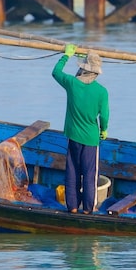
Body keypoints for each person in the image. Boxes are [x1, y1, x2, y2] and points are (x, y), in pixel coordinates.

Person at [52, 45, 109, 214]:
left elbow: (56, 72)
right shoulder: (101, 91)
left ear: (82, 68)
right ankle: (88, 209)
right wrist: (104, 129)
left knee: (73, 172)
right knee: (90, 175)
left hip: (73, 136)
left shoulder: (72, 83)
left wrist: (66, 56)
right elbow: (104, 116)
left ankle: (73, 207)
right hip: (91, 139)